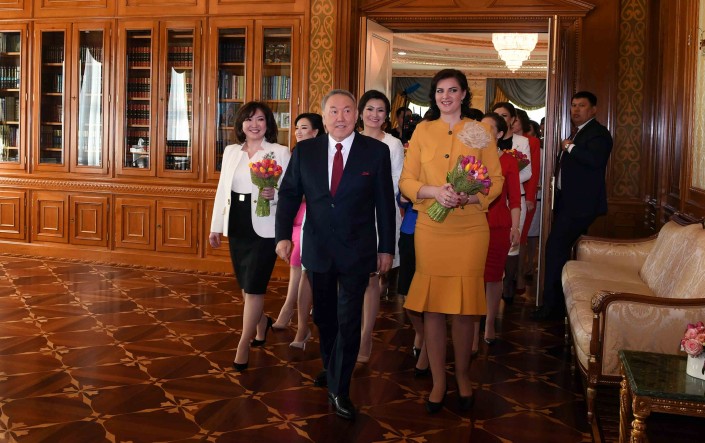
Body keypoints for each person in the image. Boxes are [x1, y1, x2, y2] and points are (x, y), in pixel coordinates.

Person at [275, 89, 395, 421]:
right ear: (324, 116)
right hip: (318, 248)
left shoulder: (376, 152)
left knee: (349, 318)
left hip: (358, 248)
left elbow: (385, 203)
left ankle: (340, 388)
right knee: (324, 317)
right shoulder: (306, 151)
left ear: (356, 116)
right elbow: (289, 194)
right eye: (333, 111)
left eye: (346, 111)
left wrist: (386, 247)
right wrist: (282, 236)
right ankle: (331, 366)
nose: (340, 117)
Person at [399, 69, 503, 414]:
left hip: (470, 228)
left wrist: (469, 198)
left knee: (464, 309)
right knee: (432, 307)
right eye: (440, 90)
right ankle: (438, 381)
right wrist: (433, 192)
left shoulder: (480, 130)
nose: (446, 96)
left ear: (463, 94)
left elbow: (495, 180)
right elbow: (406, 180)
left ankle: (462, 376)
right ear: (434, 96)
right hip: (431, 226)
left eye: (453, 90)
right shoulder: (422, 130)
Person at [209, 101, 291, 372]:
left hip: (265, 228)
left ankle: (243, 344)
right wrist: (215, 226)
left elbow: (290, 192)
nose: (254, 125)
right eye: (248, 119)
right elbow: (222, 190)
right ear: (241, 124)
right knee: (245, 287)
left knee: (255, 287)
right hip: (238, 223)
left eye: (260, 119)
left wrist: (274, 194)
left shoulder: (279, 152)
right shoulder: (231, 151)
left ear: (268, 124)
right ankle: (262, 323)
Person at [531, 91, 613, 321]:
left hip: (580, 206)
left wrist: (569, 147)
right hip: (568, 203)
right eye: (573, 105)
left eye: (581, 105)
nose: (575, 110)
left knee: (554, 248)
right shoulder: (579, 132)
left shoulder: (598, 133)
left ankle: (551, 308)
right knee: (560, 251)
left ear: (593, 109)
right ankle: (559, 306)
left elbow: (595, 161)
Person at [355, 90, 405, 363]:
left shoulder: (392, 144)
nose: (375, 115)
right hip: (351, 216)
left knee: (371, 277)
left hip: (378, 214)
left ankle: (366, 337)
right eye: (370, 109)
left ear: (386, 115)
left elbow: (395, 181)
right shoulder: (350, 138)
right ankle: (350, 333)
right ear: (360, 112)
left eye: (381, 110)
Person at [272, 113, 326, 351]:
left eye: (304, 128)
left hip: (309, 217)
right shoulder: (294, 153)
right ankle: (293, 312)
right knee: (297, 263)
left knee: (300, 261)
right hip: (293, 215)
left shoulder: (323, 154)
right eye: (297, 128)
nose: (298, 132)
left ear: (316, 132)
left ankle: (290, 311)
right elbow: (288, 189)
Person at [475, 112, 521, 348]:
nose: (483, 132)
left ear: (500, 134)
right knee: (473, 277)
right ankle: (473, 328)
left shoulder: (509, 161)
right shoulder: (470, 158)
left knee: (493, 277)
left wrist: (516, 227)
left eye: (489, 128)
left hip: (498, 224)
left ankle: (490, 323)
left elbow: (515, 199)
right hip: (472, 224)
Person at [491, 102, 532, 305]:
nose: (501, 118)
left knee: (512, 244)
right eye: (497, 115)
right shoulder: (484, 144)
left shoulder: (521, 142)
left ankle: (508, 285)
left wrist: (507, 180)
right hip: (492, 200)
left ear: (513, 119)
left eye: (504, 115)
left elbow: (527, 172)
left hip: (514, 198)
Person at [513, 109, 542, 296]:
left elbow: (534, 172)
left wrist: (530, 197)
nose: (512, 124)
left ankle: (519, 276)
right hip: (503, 196)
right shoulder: (499, 139)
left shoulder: (531, 142)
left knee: (521, 238)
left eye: (516, 120)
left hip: (524, 196)